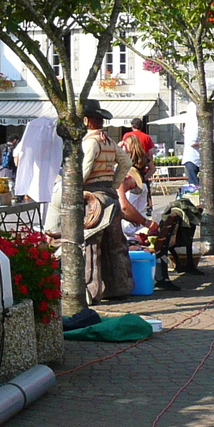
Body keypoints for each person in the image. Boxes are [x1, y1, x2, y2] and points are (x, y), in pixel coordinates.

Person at [79, 102, 135, 301]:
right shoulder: (109, 141)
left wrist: (76, 187)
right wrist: (114, 183)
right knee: (116, 244)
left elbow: (84, 169)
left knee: (92, 243)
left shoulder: (90, 142)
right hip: (110, 196)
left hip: (94, 199)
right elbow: (126, 162)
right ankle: (120, 286)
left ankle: (91, 292)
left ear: (86, 120)